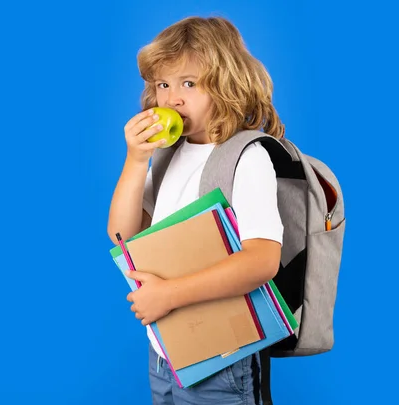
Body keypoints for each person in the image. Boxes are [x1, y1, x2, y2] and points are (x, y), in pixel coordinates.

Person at [107, 15, 285, 405]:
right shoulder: (169, 153)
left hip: (224, 357)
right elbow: (124, 237)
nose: (172, 98)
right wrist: (136, 160)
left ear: (226, 83)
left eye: (189, 83)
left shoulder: (247, 156)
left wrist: (169, 295)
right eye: (163, 85)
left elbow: (261, 261)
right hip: (166, 351)